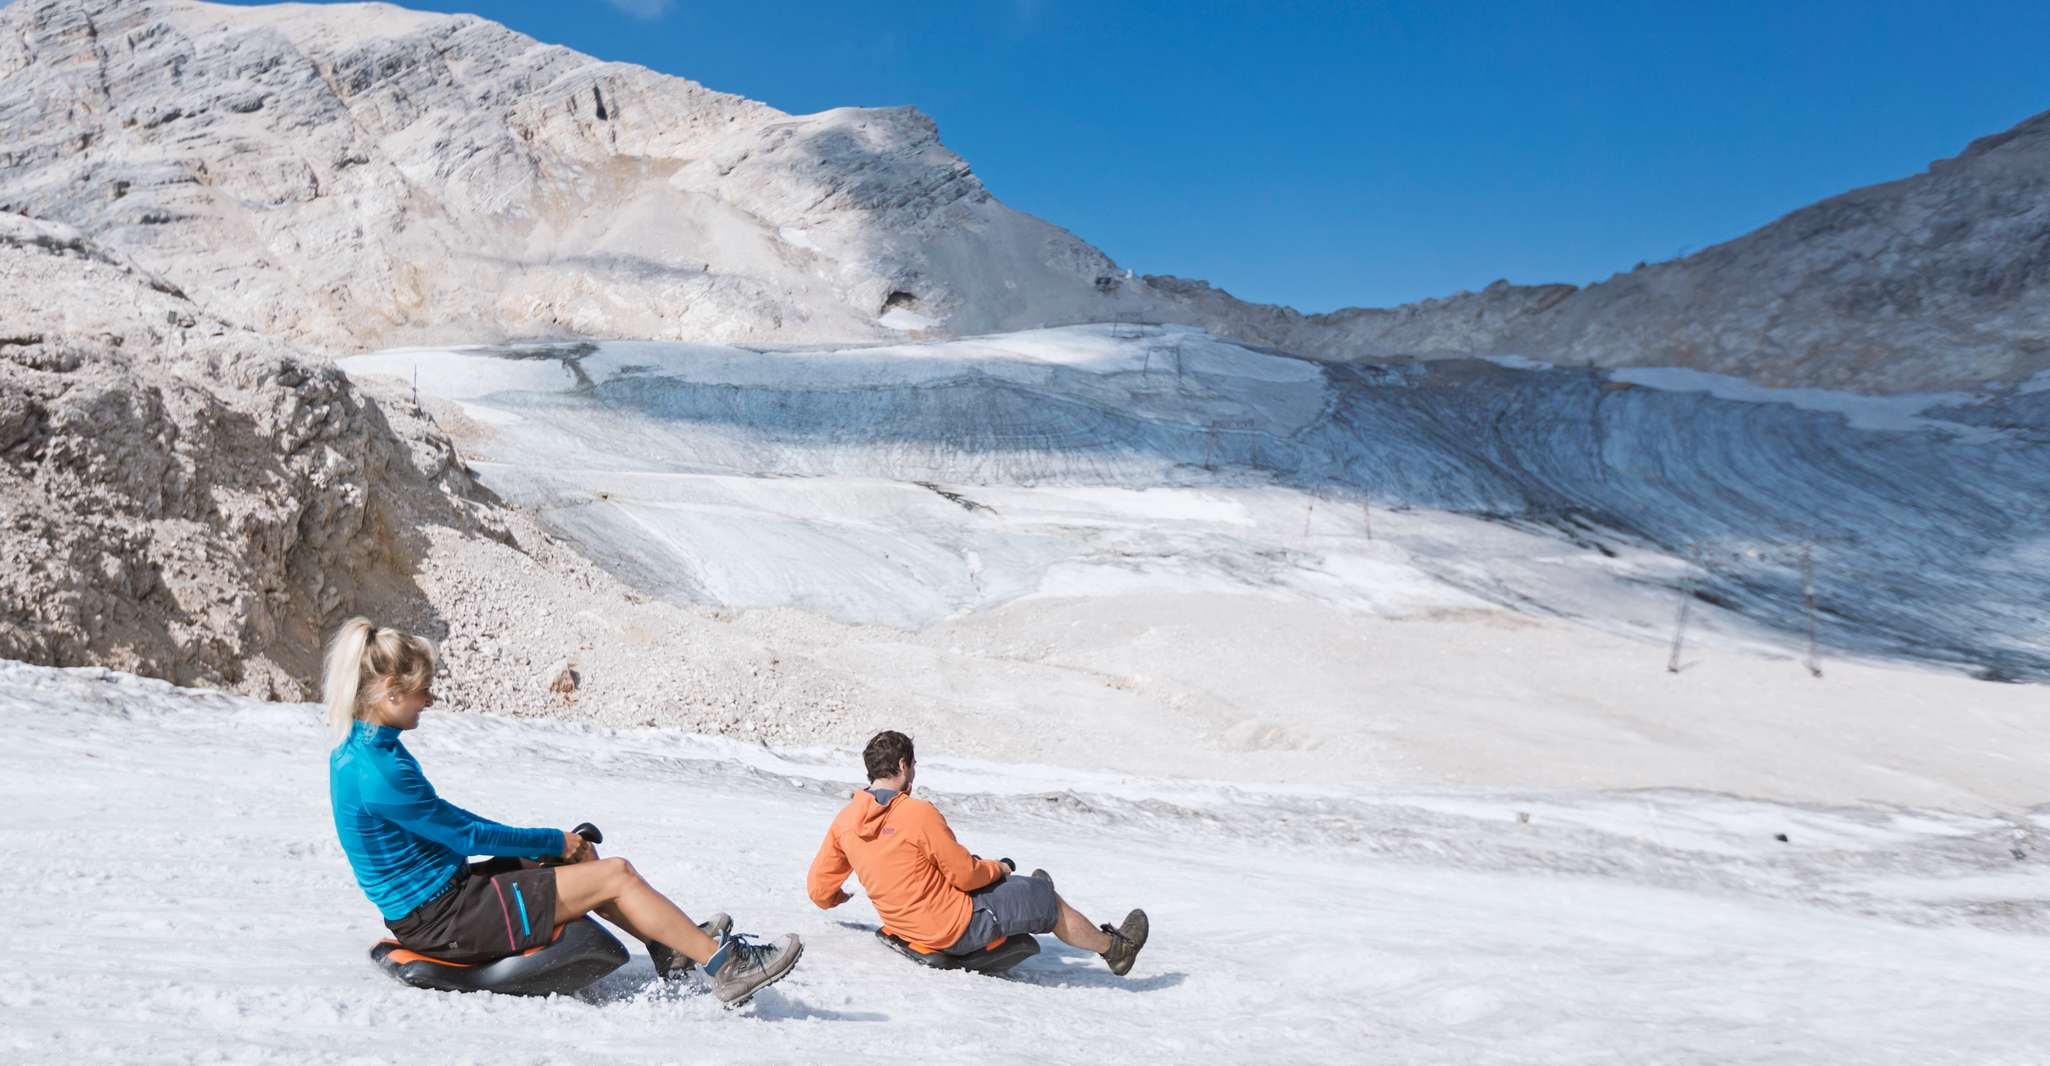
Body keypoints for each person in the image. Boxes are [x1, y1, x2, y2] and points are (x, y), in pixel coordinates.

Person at [323, 618, 801, 1006]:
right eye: (423, 690)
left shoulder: (363, 751)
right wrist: (552, 840)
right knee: (615, 874)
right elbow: (465, 835)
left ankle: (669, 946)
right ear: (390, 690)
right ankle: (729, 969)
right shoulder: (378, 771)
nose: (430, 700)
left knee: (579, 858)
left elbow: (449, 831)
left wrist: (558, 847)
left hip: (444, 899)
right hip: (447, 917)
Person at [806, 730, 1148, 975]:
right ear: (903, 764)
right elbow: (966, 876)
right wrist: (999, 869)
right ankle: (1115, 950)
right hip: (952, 927)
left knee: (998, 879)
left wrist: (837, 897)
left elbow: (819, 891)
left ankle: (1024, 893)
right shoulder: (916, 812)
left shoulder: (846, 820)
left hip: (904, 923)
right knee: (1046, 899)